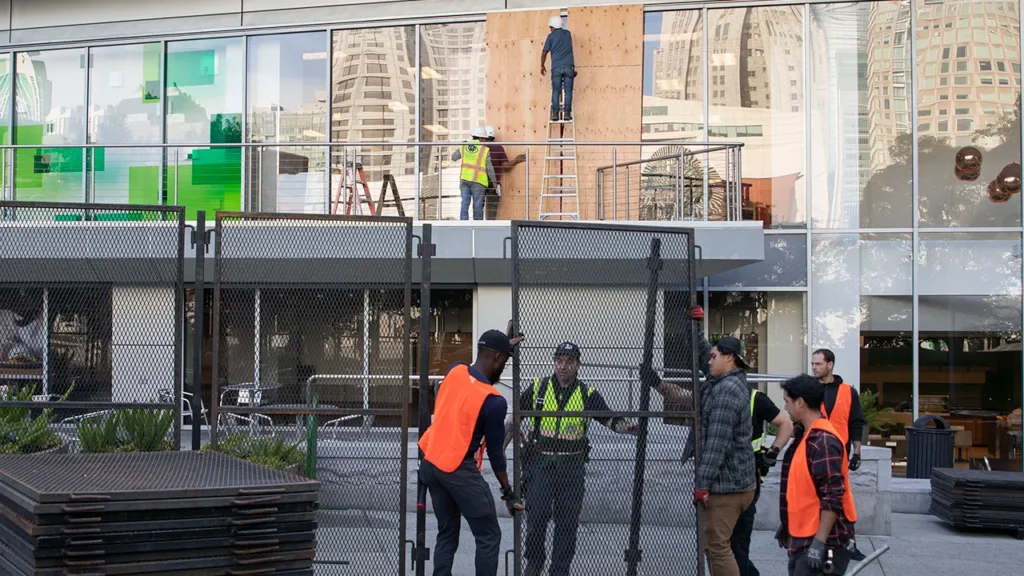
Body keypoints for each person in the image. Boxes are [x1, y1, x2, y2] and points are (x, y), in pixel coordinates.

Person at [640, 306, 776, 576]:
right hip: (732, 483)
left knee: (716, 546)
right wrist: (695, 327)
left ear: (730, 358)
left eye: (715, 356)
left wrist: (702, 485)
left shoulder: (726, 393)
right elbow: (702, 358)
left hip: (727, 487)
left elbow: (716, 444)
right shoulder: (723, 381)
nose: (709, 361)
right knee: (715, 545)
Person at [503, 342, 638, 576]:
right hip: (541, 464)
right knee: (536, 517)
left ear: (577, 365)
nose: (563, 366)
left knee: (567, 524)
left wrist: (626, 427)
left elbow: (608, 418)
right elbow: (516, 418)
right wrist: (500, 449)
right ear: (554, 361)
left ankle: (559, 570)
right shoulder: (538, 388)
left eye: (569, 362)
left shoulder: (587, 393)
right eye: (559, 361)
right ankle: (534, 563)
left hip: (572, 467)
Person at [418, 325, 525, 576]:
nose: (504, 367)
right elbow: (496, 454)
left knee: (447, 533)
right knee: (488, 535)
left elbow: (464, 387)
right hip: (458, 469)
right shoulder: (493, 401)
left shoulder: (454, 370)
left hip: (431, 463)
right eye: (505, 360)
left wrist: (502, 343)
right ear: (497, 358)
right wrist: (508, 492)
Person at [776, 374, 858, 576]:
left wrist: (818, 543)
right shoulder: (805, 435)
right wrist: (787, 524)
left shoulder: (822, 441)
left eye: (787, 401)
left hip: (821, 541)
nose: (785, 407)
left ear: (800, 402)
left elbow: (832, 496)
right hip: (804, 535)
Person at [811, 348, 867, 561]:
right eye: (813, 364)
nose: (814, 368)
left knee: (842, 498)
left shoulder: (847, 391)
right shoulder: (809, 389)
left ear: (830, 364)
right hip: (814, 452)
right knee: (814, 497)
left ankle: (848, 542)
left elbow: (856, 422)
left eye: (818, 364)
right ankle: (815, 539)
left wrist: (857, 452)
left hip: (839, 454)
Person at [450, 127, 497, 221]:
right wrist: (494, 181)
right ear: (481, 138)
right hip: (478, 181)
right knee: (478, 205)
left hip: (464, 179)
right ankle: (477, 226)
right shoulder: (484, 150)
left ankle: (463, 224)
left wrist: (462, 147)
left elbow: (453, 157)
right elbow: (489, 168)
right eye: (485, 139)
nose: (485, 141)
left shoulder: (465, 146)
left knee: (465, 203)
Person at [481, 125, 525, 220]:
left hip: (479, 181)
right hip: (494, 183)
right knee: (492, 207)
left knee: (478, 205)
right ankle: (490, 226)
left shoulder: (479, 148)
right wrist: (516, 160)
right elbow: (506, 166)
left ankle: (478, 227)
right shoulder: (498, 148)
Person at [540, 16, 576, 121]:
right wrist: (573, 68)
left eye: (550, 27)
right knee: (568, 91)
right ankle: (567, 114)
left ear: (553, 27)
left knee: (556, 90)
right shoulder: (568, 34)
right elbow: (569, 51)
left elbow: (544, 52)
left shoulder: (550, 36)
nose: (550, 29)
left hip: (556, 68)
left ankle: (555, 114)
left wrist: (542, 65)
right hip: (569, 67)